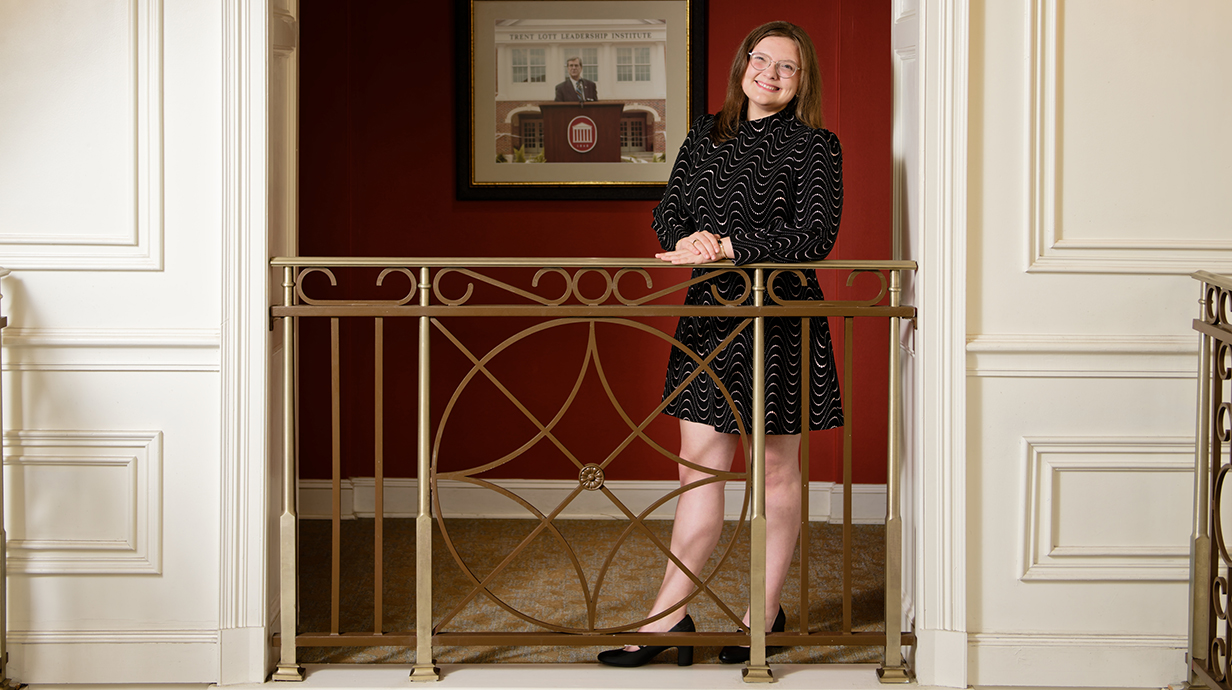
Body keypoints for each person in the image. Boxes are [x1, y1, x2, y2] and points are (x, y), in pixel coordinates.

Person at [597, 21, 843, 668]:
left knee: (775, 472)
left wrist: (728, 246)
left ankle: (763, 615)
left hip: (779, 318)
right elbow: (670, 211)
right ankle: (666, 617)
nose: (770, 73)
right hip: (709, 315)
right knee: (699, 469)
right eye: (761, 59)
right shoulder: (705, 135)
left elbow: (815, 238)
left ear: (802, 82)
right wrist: (687, 242)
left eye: (787, 67)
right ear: (743, 65)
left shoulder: (817, 146)